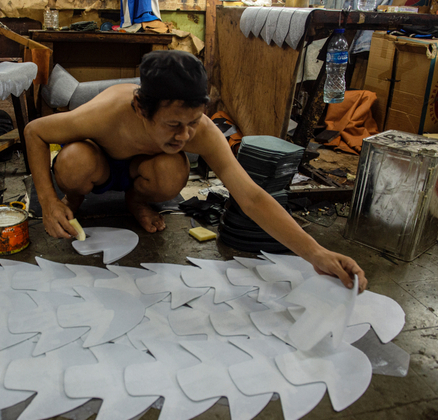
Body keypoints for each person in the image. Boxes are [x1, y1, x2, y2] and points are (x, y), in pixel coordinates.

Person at [25, 50, 367, 292]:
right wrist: (49, 200)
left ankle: (137, 200)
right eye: (173, 124)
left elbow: (249, 195)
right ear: (140, 109)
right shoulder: (107, 113)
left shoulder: (200, 130)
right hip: (97, 160)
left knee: (173, 173)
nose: (185, 134)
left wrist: (316, 253)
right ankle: (73, 199)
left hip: (140, 170)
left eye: (192, 123)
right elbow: (35, 131)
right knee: (73, 164)